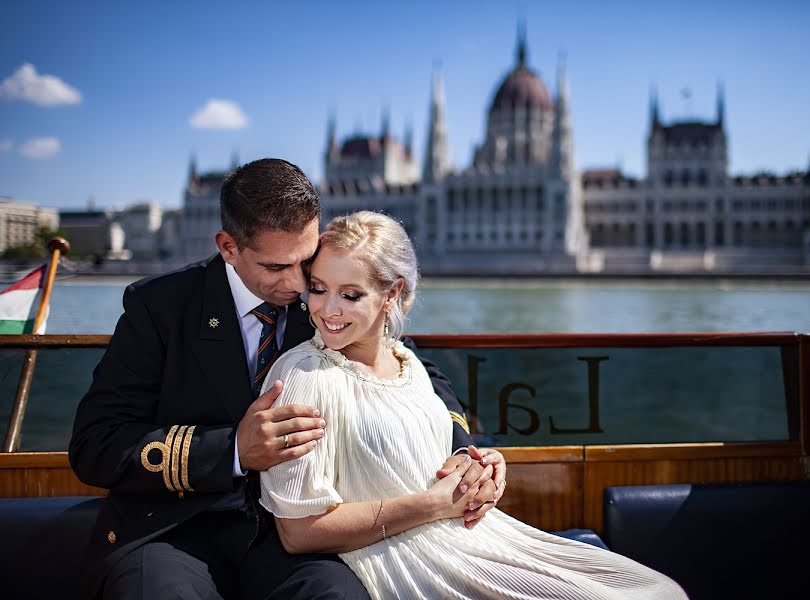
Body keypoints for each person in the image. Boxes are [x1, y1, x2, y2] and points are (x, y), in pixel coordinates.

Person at [69, 158, 505, 599]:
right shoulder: (162, 307)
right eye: (277, 268)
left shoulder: (323, 295)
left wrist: (461, 452)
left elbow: (414, 368)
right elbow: (97, 444)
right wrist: (232, 450)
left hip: (286, 537)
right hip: (174, 528)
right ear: (228, 247)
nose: (300, 286)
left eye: (306, 261)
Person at [257, 211, 689, 599]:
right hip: (406, 560)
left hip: (471, 538)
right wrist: (435, 504)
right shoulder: (303, 377)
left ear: (391, 295)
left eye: (350, 295)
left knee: (657, 590)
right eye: (317, 289)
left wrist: (474, 462)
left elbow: (429, 457)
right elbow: (298, 532)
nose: (327, 310)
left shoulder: (409, 364)